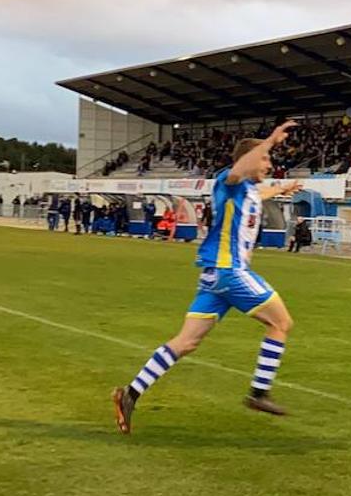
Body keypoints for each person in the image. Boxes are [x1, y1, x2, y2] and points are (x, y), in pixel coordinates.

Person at [111, 118, 303, 433]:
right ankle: (259, 392)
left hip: (214, 277)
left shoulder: (250, 192)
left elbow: (260, 195)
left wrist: (284, 187)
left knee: (186, 342)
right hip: (231, 271)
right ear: (248, 159)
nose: (269, 163)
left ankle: (129, 395)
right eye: (265, 159)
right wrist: (268, 141)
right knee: (281, 323)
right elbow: (241, 170)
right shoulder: (228, 181)